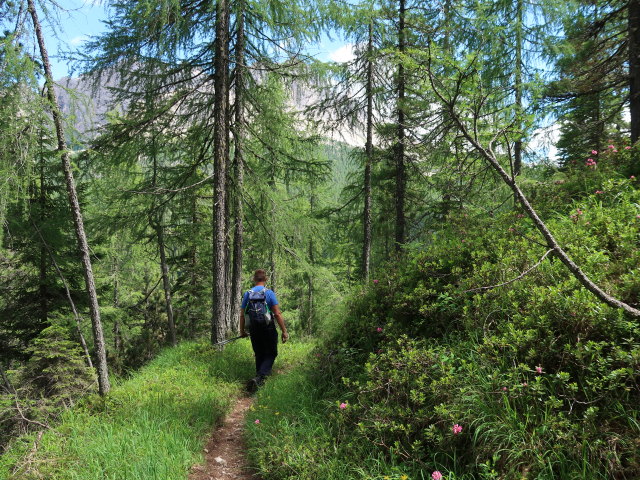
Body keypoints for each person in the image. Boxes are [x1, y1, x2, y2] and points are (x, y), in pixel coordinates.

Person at [240, 269, 288, 392]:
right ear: (265, 279)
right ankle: (260, 377)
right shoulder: (269, 293)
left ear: (254, 279)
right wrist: (284, 331)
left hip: (254, 328)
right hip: (268, 327)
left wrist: (242, 331)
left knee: (259, 353)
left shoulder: (247, 294)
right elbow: (277, 313)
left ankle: (257, 382)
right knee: (271, 353)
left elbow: (242, 315)